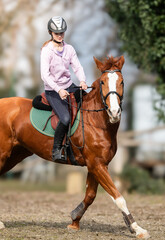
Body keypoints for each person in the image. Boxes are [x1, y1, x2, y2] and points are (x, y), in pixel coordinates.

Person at [40, 16, 87, 162]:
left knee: (88, 102)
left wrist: (83, 80)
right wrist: (58, 89)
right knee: (66, 118)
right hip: (53, 91)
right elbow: (44, 75)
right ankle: (57, 149)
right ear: (50, 33)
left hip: (69, 86)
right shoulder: (47, 51)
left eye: (62, 33)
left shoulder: (69, 49)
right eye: (56, 33)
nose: (60, 36)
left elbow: (77, 67)